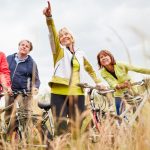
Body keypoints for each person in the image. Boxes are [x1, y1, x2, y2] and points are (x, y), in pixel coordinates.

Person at [43, 1, 105, 135]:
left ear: (72, 36)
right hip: (59, 92)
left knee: (77, 127)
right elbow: (52, 34)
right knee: (61, 128)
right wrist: (49, 18)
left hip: (78, 93)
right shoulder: (58, 52)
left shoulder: (80, 53)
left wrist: (98, 82)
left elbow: (90, 69)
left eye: (66, 34)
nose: (64, 36)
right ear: (59, 40)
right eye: (61, 35)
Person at [97, 50, 150, 115]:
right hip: (118, 94)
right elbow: (112, 83)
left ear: (110, 57)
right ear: (100, 61)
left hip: (131, 91)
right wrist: (121, 85)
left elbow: (137, 69)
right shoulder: (103, 72)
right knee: (120, 115)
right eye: (101, 57)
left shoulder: (120, 65)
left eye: (105, 56)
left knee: (137, 113)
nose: (103, 58)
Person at [5, 40, 40, 134]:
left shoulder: (31, 63)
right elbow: (3, 73)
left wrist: (35, 88)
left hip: (25, 94)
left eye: (27, 46)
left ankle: (24, 139)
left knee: (25, 116)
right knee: (9, 116)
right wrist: (6, 86)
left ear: (29, 50)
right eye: (22, 45)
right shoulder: (9, 58)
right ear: (19, 46)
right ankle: (8, 139)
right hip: (10, 92)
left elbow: (36, 80)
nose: (24, 47)